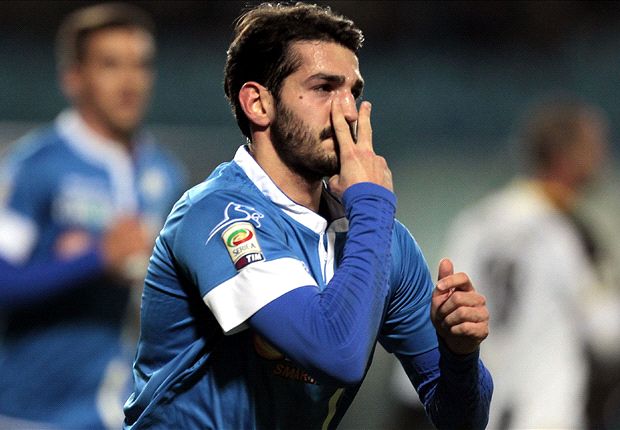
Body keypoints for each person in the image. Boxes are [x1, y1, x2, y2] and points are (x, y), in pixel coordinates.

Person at [123, 3, 493, 429]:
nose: (348, 111)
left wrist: (460, 354)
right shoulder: (217, 216)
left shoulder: (385, 240)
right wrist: (372, 203)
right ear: (258, 104)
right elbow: (336, 353)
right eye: (323, 88)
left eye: (353, 91)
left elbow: (461, 421)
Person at [0, 3, 186, 429]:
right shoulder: (36, 166)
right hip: (32, 412)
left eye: (141, 65)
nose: (129, 82)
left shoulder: (165, 173)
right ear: (74, 77)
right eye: (110, 65)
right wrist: (95, 258)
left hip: (124, 412)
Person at [443, 98, 611, 429]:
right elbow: (605, 333)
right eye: (593, 146)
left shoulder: (477, 220)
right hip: (548, 411)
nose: (601, 156)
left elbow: (441, 313)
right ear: (565, 156)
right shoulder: (567, 228)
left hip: (482, 411)